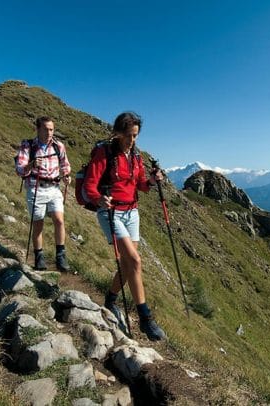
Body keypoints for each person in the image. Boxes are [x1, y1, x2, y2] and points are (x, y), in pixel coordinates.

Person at [83, 112, 166, 341]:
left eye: (136, 136)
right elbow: (90, 185)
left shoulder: (135, 156)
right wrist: (99, 198)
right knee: (135, 261)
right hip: (111, 212)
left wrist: (151, 180)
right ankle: (146, 319)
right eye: (129, 135)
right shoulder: (104, 152)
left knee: (129, 265)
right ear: (118, 133)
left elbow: (139, 184)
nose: (132, 140)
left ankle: (110, 299)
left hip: (132, 212)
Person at [15, 116, 71, 271]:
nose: (49, 132)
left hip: (54, 188)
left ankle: (60, 256)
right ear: (38, 129)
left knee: (59, 220)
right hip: (35, 187)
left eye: (51, 129)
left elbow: (65, 165)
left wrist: (67, 175)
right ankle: (39, 256)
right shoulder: (28, 146)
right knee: (38, 224)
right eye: (46, 129)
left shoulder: (58, 146)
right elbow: (19, 169)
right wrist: (31, 165)